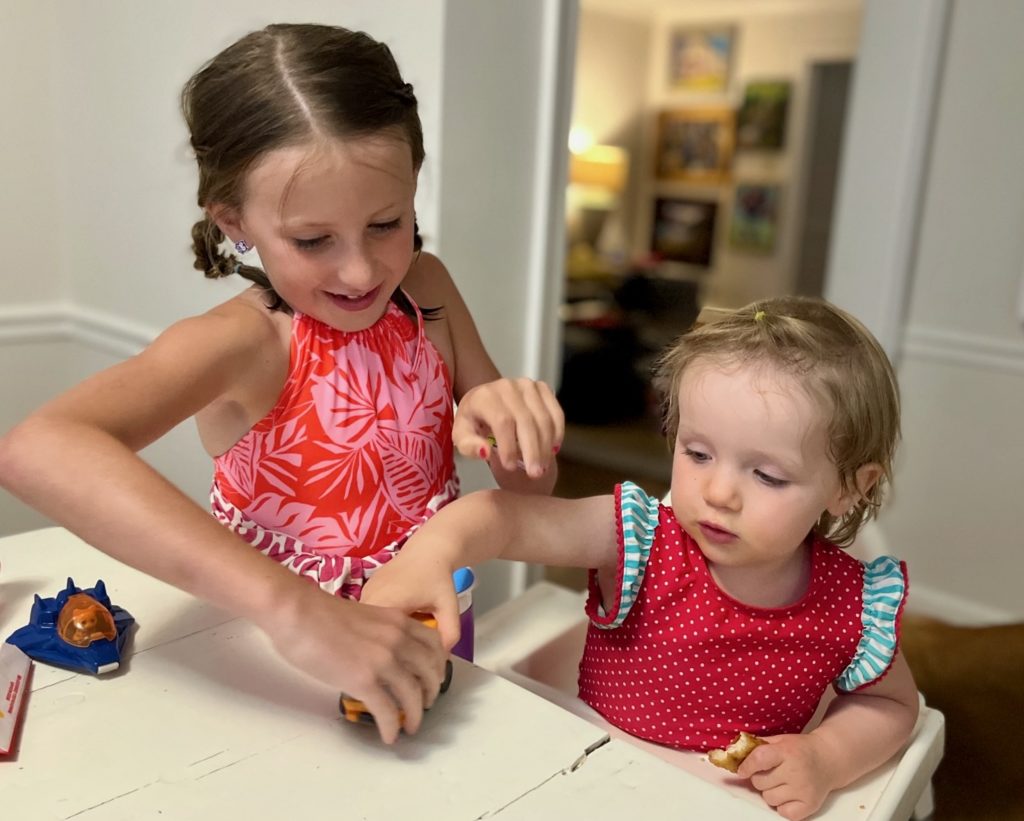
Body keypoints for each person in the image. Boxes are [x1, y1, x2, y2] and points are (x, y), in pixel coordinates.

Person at [0, 23, 562, 744]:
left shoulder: (427, 290)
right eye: (312, 240)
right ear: (235, 221)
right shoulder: (245, 342)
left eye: (387, 222)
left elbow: (527, 495)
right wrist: (299, 611)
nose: (361, 271)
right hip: (273, 671)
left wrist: (519, 425)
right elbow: (37, 448)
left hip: (433, 641)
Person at [363, 296, 920, 819]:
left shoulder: (854, 608)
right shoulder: (639, 539)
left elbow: (893, 707)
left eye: (767, 475)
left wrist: (826, 758)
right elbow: (507, 520)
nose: (718, 492)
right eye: (698, 453)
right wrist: (433, 550)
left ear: (849, 486)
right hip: (578, 779)